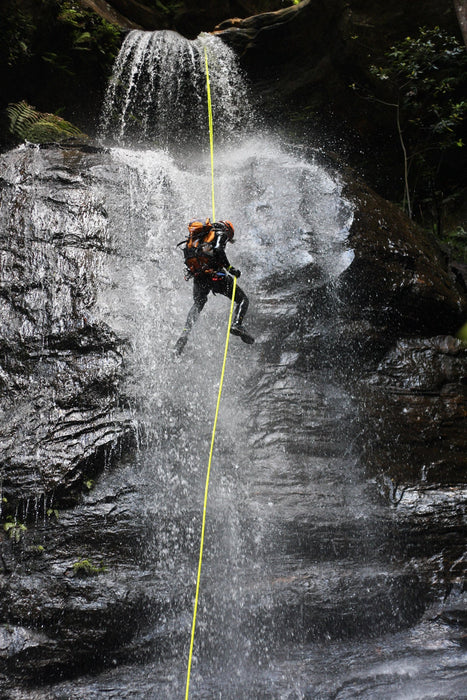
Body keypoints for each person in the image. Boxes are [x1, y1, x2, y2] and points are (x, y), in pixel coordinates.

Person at [174, 218, 254, 355]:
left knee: (198, 304)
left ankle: (184, 334)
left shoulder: (198, 238)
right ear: (227, 230)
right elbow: (218, 250)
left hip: (199, 277)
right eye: (229, 238)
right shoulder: (221, 233)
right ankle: (237, 324)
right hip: (216, 276)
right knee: (242, 300)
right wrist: (230, 269)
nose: (227, 240)